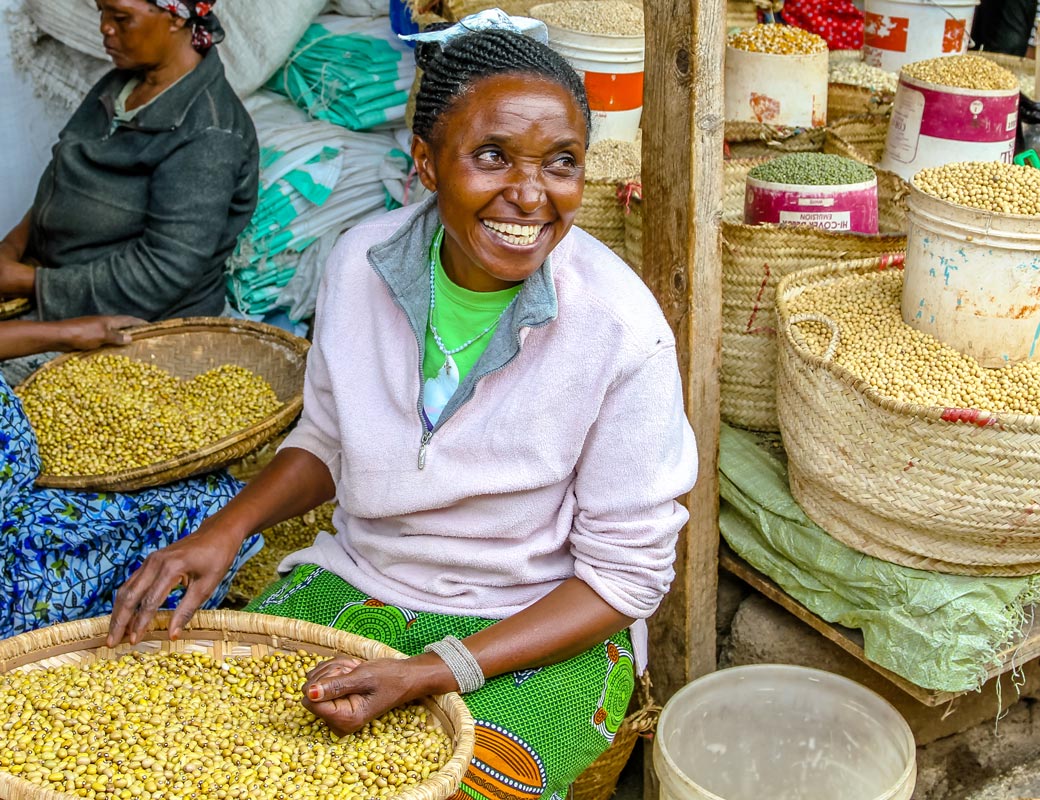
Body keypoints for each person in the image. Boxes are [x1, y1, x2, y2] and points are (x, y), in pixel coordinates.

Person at [107, 17, 699, 800]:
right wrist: (227, 528)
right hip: (363, 581)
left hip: (534, 629)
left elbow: (622, 580)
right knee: (208, 749)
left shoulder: (620, 328)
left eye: (561, 163)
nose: (528, 195)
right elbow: (328, 440)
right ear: (425, 163)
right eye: (491, 157)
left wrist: (433, 671)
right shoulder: (359, 263)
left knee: (440, 785)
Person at [0, 315, 262, 639]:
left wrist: (67, 333)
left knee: (213, 496)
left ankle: (151, 634)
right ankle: (83, 642)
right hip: (12, 548)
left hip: (29, 477)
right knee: (202, 510)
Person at [0, 0, 257, 324]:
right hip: (56, 285)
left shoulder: (209, 133)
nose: (105, 27)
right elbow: (62, 178)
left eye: (121, 17)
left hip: (143, 325)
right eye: (101, 12)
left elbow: (160, 274)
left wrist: (27, 282)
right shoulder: (124, 84)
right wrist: (9, 249)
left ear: (175, 18)